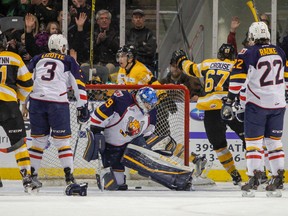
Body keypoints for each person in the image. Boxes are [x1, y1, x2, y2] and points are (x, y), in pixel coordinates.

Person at [84, 87, 194, 191]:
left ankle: (179, 178)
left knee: (153, 161)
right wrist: (96, 131)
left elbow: (147, 133)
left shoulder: (152, 112)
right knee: (118, 185)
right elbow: (98, 115)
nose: (149, 107)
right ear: (140, 100)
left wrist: (148, 148)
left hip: (132, 145)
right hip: (111, 148)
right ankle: (105, 174)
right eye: (147, 103)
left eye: (151, 104)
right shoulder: (123, 100)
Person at [222, 22, 287, 196]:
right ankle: (278, 178)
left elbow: (237, 79)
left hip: (257, 105)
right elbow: (286, 76)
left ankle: (254, 177)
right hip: (278, 104)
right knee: (274, 143)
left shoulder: (248, 52)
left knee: (253, 144)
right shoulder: (279, 51)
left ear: (252, 36)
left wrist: (230, 99)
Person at [172, 43, 245, 186]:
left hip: (211, 109)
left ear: (218, 55)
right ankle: (256, 173)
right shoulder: (237, 65)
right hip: (231, 106)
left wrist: (181, 59)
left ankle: (234, 175)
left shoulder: (209, 63)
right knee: (249, 139)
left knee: (219, 145)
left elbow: (190, 69)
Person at [26, 34, 90, 191]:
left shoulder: (37, 58)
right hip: (57, 104)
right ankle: (69, 177)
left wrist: (23, 102)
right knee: (62, 142)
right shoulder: (69, 60)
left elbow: (26, 80)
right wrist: (82, 106)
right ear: (63, 47)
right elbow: (79, 85)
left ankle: (32, 177)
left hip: (36, 102)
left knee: (38, 142)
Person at [0, 34, 37, 193]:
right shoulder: (13, 57)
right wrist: (18, 99)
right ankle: (27, 179)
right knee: (19, 143)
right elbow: (28, 84)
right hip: (9, 105)